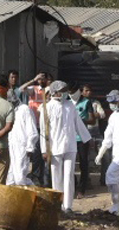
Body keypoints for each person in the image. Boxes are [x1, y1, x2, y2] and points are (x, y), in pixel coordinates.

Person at [42, 82, 91, 211]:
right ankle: (58, 205)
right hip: (55, 147)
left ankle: (68, 206)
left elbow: (78, 124)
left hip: (70, 145)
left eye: (65, 90)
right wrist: (44, 150)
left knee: (69, 176)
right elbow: (43, 131)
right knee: (56, 177)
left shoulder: (70, 106)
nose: (65, 93)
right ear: (55, 92)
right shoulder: (47, 107)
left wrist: (87, 139)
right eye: (62, 91)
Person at [6, 82, 42, 187]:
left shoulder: (25, 109)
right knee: (10, 178)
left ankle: (33, 193)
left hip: (22, 147)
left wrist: (30, 147)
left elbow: (32, 131)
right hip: (11, 146)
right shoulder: (10, 111)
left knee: (20, 178)